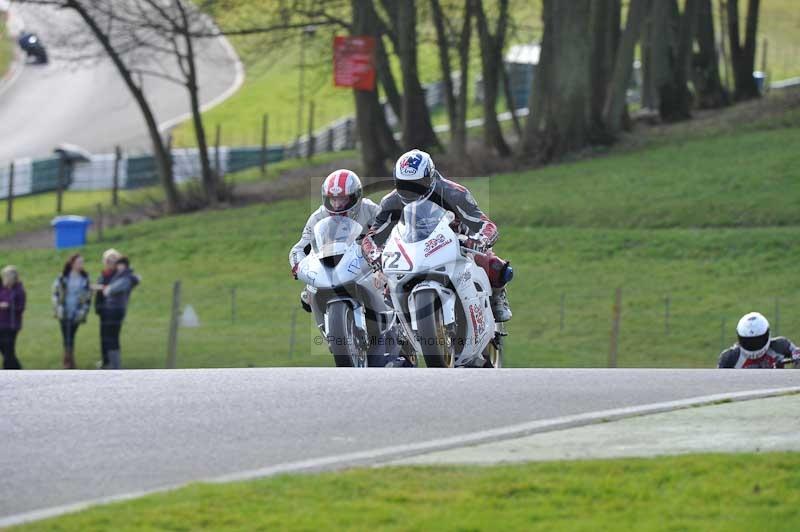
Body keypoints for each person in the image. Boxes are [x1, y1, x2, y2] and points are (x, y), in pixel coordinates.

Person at [361, 149, 513, 322]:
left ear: (431, 177)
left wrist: (479, 240)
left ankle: (497, 296)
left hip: (455, 241)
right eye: (405, 184)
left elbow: (485, 224)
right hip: (411, 248)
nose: (412, 190)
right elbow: (372, 237)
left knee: (493, 266)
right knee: (387, 288)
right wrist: (375, 256)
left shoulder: (454, 193)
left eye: (418, 183)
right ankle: (400, 326)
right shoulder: (390, 202)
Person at [93, 250, 140, 369]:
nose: (111, 262)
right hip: (104, 309)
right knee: (105, 337)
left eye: (114, 259)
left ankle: (114, 366)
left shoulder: (122, 276)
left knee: (112, 338)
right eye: (108, 260)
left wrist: (103, 288)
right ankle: (107, 362)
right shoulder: (106, 274)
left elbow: (110, 290)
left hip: (114, 310)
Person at [718, 312, 800, 368]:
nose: (753, 345)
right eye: (748, 341)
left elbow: (796, 352)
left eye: (758, 340)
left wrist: (797, 357)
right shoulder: (729, 357)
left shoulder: (781, 345)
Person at [52, 254, 92, 369]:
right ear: (72, 263)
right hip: (64, 312)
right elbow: (56, 293)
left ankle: (69, 361)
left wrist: (82, 311)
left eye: (82, 262)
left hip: (77, 313)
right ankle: (68, 362)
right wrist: (57, 308)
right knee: (67, 336)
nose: (81, 264)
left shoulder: (84, 278)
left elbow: (87, 295)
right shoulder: (63, 277)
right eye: (79, 262)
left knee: (71, 335)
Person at [0, 265, 26, 370]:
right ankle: (18, 370)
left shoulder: (19, 291)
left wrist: (8, 306)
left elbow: (21, 307)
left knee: (8, 351)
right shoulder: (3, 290)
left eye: (6, 276)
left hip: (12, 325)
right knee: (5, 350)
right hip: (1, 324)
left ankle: (7, 372)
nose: (4, 279)